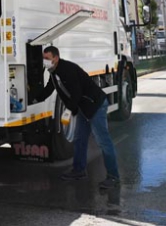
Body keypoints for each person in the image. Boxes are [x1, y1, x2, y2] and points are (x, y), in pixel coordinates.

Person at [39, 46, 120, 189]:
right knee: (79, 139)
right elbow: (48, 90)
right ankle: (79, 170)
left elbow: (76, 92)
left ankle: (113, 177)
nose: (45, 61)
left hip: (95, 106)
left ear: (55, 58)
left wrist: (68, 111)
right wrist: (32, 99)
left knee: (103, 141)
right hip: (84, 108)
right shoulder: (54, 72)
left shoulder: (67, 69)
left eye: (47, 58)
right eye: (44, 58)